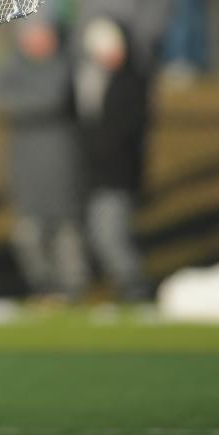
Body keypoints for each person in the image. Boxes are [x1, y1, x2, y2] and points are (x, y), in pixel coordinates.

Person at [0, 18, 88, 301]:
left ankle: (73, 288)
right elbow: (3, 97)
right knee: (29, 231)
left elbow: (52, 97)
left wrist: (28, 100)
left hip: (62, 161)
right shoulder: (10, 68)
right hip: (25, 165)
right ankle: (43, 286)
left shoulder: (64, 65)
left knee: (67, 229)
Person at [73, 16, 151, 302]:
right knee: (99, 234)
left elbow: (123, 129)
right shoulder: (89, 79)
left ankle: (135, 286)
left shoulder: (132, 81)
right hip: (93, 173)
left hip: (118, 173)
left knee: (111, 234)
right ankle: (128, 287)